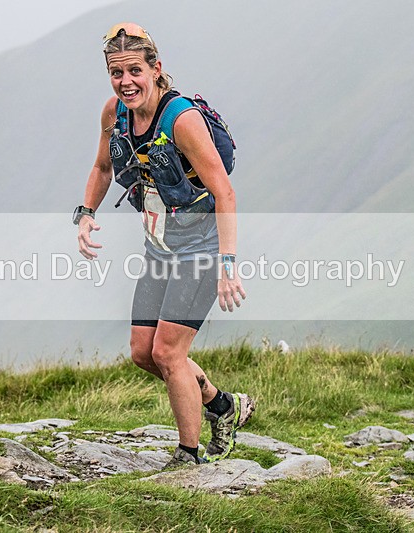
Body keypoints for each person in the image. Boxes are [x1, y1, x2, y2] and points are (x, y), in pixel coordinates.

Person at [74, 22, 254, 468]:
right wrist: (86, 214)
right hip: (159, 247)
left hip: (202, 248)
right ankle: (220, 404)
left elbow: (224, 192)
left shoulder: (182, 119)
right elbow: (101, 168)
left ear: (156, 69)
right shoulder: (113, 113)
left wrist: (228, 264)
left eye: (135, 70)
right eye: (117, 73)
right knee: (142, 352)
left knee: (169, 352)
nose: (125, 81)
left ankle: (188, 457)